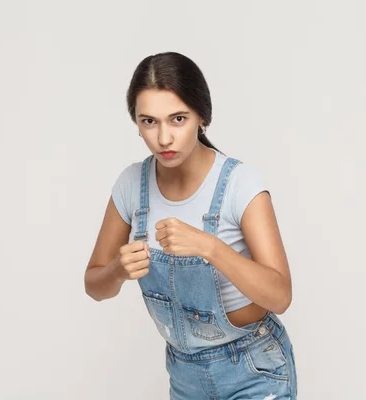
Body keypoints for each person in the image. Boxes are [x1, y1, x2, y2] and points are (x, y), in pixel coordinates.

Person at [84, 51, 297, 399]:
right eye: (149, 121)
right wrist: (117, 270)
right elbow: (94, 285)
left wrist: (209, 247)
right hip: (184, 375)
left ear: (202, 116)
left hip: (254, 369)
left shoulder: (238, 184)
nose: (164, 138)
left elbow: (280, 295)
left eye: (178, 119)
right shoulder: (130, 186)